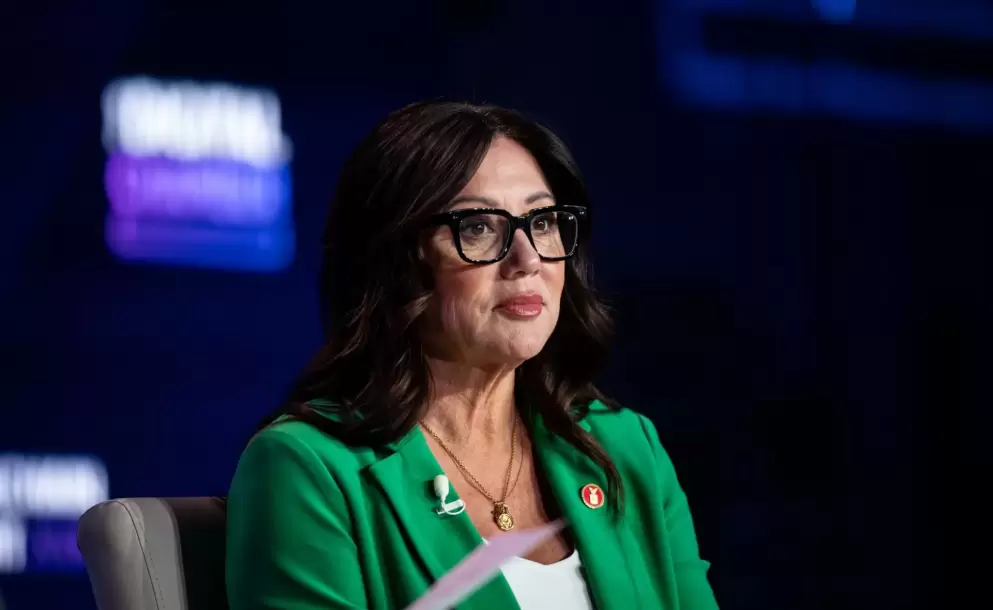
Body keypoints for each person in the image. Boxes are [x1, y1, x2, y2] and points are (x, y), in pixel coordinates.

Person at [225, 100, 719, 610]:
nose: (528, 259)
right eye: (479, 227)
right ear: (397, 260)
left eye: (543, 222)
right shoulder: (307, 468)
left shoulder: (625, 446)